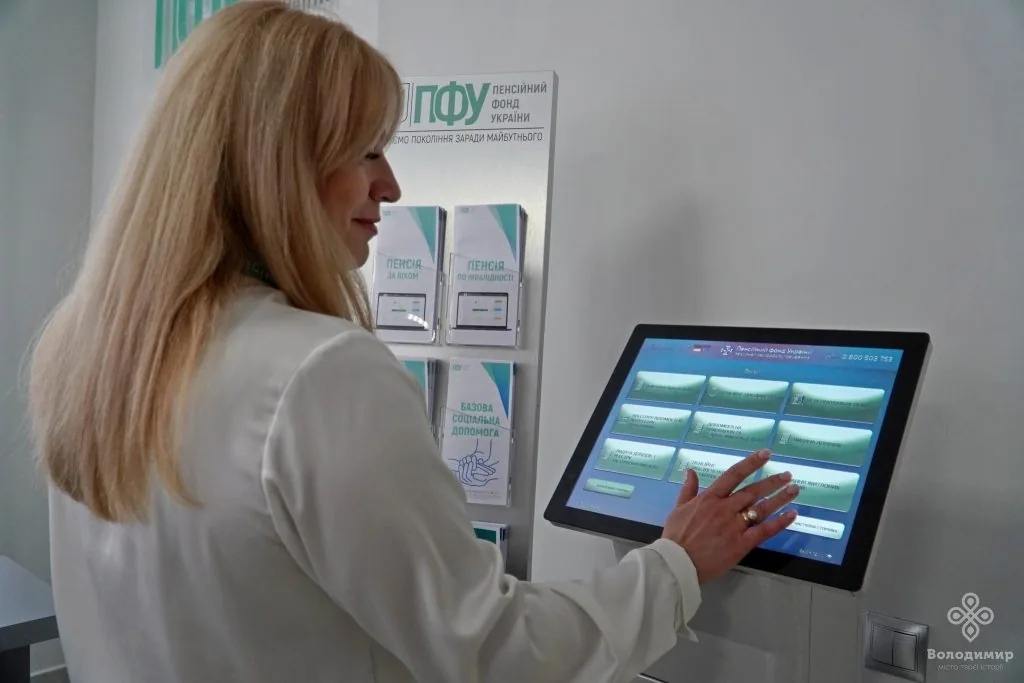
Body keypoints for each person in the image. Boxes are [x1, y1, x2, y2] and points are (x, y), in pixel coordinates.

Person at [26, 2, 800, 682]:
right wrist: (675, 566)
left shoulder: (86, 348)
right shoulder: (318, 373)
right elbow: (497, 653)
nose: (391, 186)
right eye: (367, 150)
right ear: (279, 164)